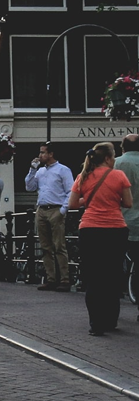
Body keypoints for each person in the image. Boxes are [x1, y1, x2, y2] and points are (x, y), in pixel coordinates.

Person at [68, 142, 133, 336]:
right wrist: (112, 199)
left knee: (94, 277)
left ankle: (95, 323)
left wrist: (89, 199)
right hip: (115, 229)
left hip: (90, 229)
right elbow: (128, 203)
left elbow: (72, 204)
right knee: (112, 275)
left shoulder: (83, 176)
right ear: (107, 158)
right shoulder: (119, 176)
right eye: (113, 157)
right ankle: (110, 320)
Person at [25, 142, 76, 291]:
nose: (40, 155)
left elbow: (71, 191)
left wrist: (63, 210)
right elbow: (29, 187)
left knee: (59, 245)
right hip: (42, 208)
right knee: (45, 246)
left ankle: (65, 279)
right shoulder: (40, 171)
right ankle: (50, 278)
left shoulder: (63, 170)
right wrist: (32, 170)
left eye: (43, 152)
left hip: (55, 208)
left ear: (51, 154)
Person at [117, 134, 139, 321]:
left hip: (118, 221)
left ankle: (112, 305)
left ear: (123, 147)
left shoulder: (115, 164)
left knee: (113, 263)